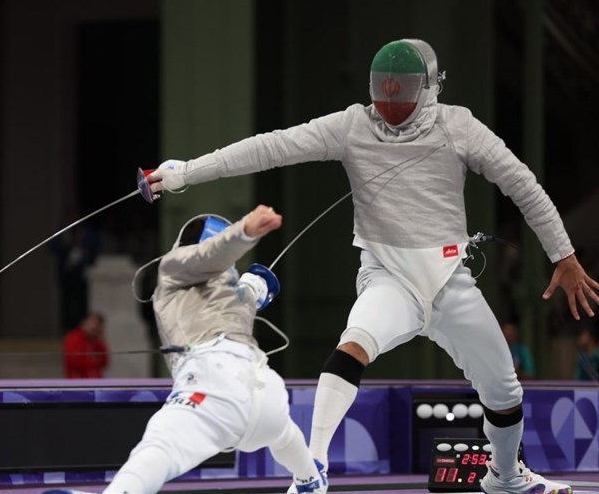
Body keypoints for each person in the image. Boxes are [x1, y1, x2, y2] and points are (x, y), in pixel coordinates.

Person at [147, 39, 599, 494]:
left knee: (505, 393)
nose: (389, 101)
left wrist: (564, 255)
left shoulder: (459, 126)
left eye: (401, 90)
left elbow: (523, 184)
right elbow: (269, 148)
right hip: (389, 278)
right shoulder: (352, 126)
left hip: (450, 283)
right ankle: (313, 470)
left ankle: (504, 477)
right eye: (382, 90)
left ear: (430, 87)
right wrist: (186, 172)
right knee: (354, 342)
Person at [80, 205, 327, 494]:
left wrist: (244, 231)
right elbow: (253, 290)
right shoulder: (236, 293)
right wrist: (256, 281)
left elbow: (209, 256)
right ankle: (310, 479)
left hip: (216, 384)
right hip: (267, 393)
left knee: (160, 446)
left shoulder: (172, 267)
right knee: (283, 433)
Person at [62, 313, 109, 379]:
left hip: (96, 380)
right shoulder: (73, 338)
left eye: (98, 325)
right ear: (85, 322)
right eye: (93, 323)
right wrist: (93, 362)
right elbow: (72, 361)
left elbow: (105, 362)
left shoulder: (97, 341)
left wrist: (99, 341)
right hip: (78, 381)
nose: (94, 327)